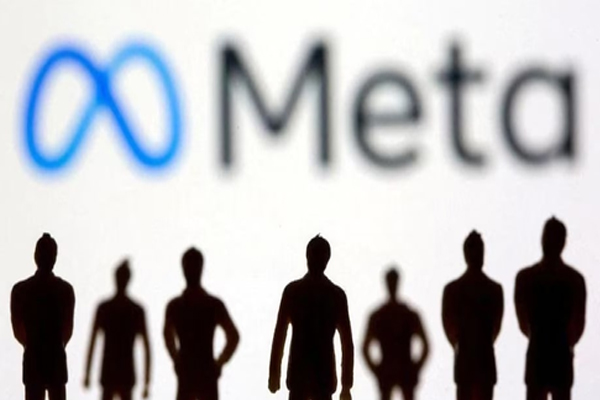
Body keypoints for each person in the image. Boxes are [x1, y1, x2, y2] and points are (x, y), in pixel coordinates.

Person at [269, 235, 354, 400]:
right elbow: (347, 343)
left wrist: (274, 373)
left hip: (302, 374)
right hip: (321, 375)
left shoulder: (293, 292)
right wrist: (346, 384)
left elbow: (280, 335)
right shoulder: (335, 295)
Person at [514, 217, 586, 400]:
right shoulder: (574, 279)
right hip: (559, 354)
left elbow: (522, 320)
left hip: (540, 353)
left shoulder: (526, 278)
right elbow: (578, 323)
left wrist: (538, 336)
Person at [164, 247, 240, 400]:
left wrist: (176, 358)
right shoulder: (212, 304)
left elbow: (167, 335)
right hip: (205, 372)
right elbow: (233, 336)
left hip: (188, 371)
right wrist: (220, 362)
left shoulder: (176, 306)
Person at [10, 233, 76, 400]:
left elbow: (17, 328)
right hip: (56, 357)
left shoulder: (20, 290)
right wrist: (57, 344)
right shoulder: (65, 290)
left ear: (35, 256)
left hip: (33, 358)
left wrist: (30, 344)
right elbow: (68, 328)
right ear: (54, 258)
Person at [442, 231, 504, 400]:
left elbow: (449, 325)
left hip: (472, 358)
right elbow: (496, 326)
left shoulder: (454, 289)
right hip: (475, 358)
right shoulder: (493, 289)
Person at [84, 260, 151, 400]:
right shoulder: (135, 310)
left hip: (109, 371)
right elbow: (146, 347)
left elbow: (92, 343)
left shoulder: (105, 308)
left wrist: (87, 373)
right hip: (125, 372)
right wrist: (146, 382)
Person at [363, 268, 429, 400]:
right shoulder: (408, 314)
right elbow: (425, 345)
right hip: (402, 369)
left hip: (392, 369)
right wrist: (416, 368)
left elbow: (365, 348)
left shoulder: (379, 315)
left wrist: (377, 370)